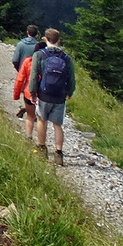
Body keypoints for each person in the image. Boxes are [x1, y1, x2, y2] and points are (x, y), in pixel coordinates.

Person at [28, 27, 76, 165]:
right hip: (59, 96)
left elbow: (33, 76)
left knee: (42, 120)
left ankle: (42, 149)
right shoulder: (66, 57)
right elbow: (71, 78)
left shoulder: (39, 54)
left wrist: (33, 92)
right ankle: (59, 153)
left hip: (44, 94)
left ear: (46, 39)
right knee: (58, 125)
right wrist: (69, 92)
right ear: (58, 41)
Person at [14, 50, 38, 142]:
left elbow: (20, 79)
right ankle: (41, 142)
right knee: (41, 119)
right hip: (44, 94)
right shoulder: (48, 62)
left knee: (30, 115)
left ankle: (28, 136)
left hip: (29, 93)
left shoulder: (28, 61)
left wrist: (16, 95)